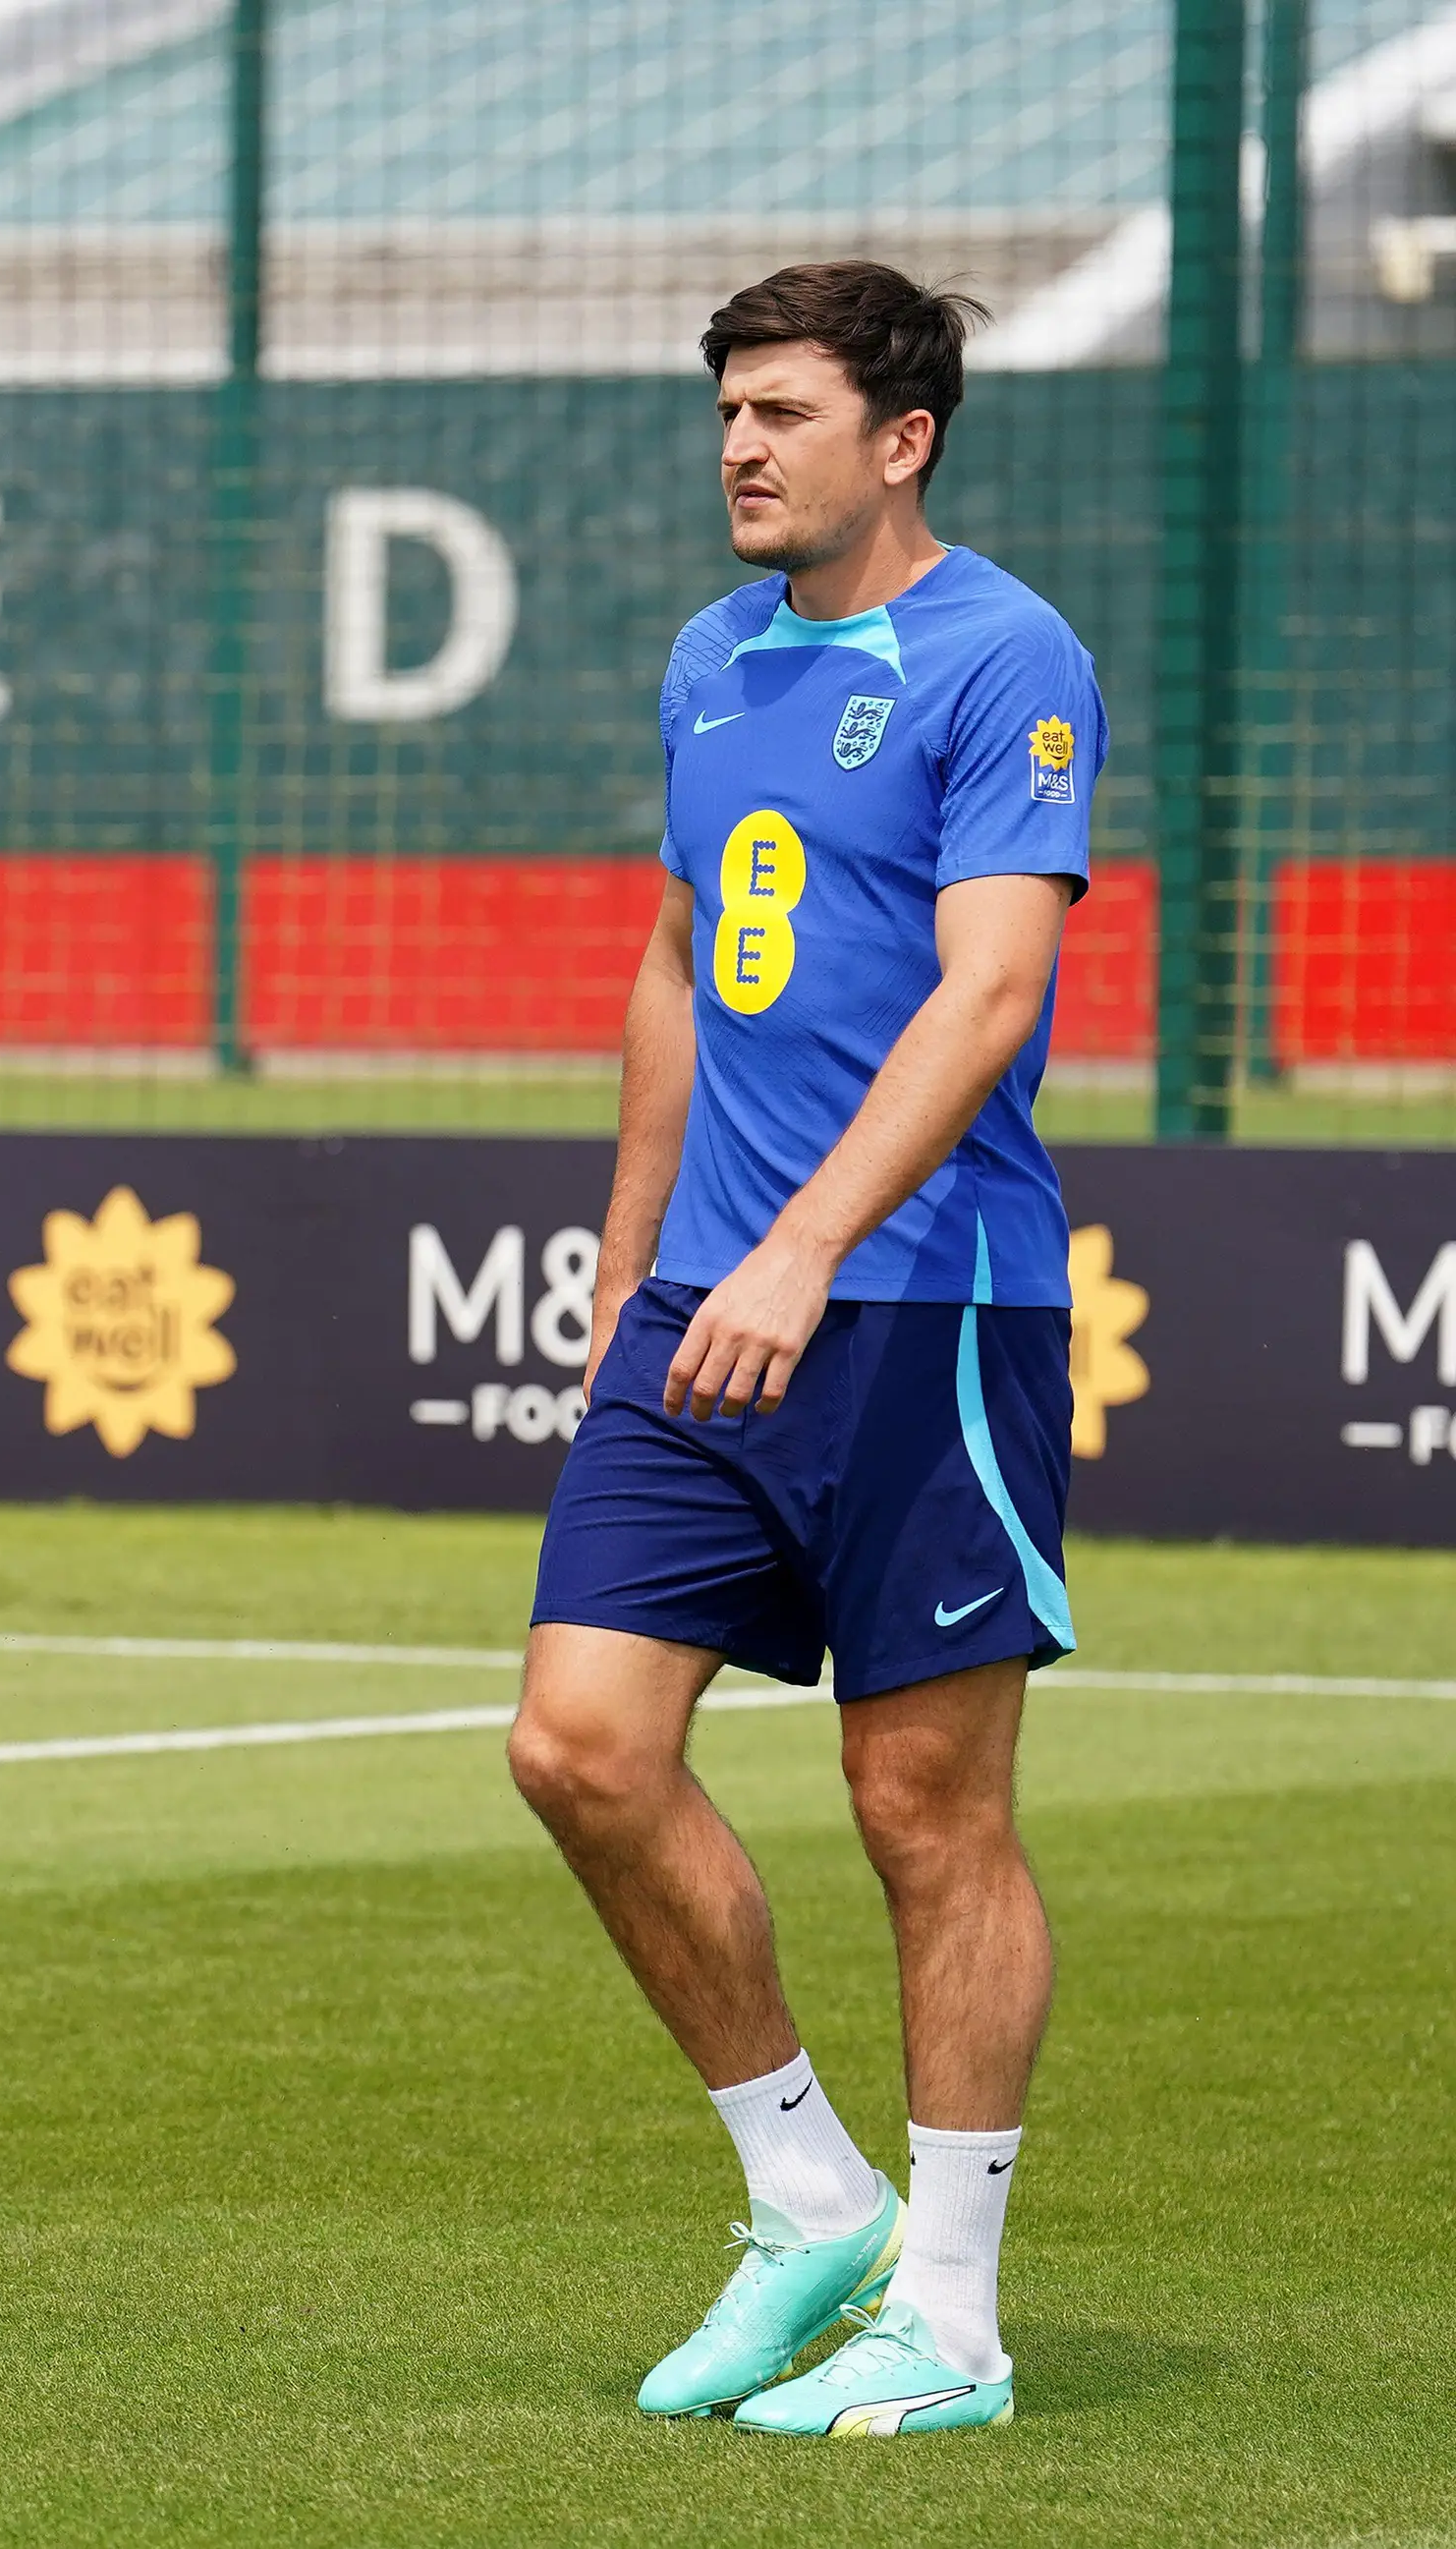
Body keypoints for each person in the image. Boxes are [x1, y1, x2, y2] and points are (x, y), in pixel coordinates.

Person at [508, 263, 1103, 2437]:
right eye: (727, 414)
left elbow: (986, 1001)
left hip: (927, 1307)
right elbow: (678, 965)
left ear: (902, 436)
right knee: (579, 1744)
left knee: (920, 1804)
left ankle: (949, 2307)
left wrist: (804, 1253)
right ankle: (806, 2195)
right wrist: (636, 1257)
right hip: (705, 1309)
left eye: (780, 412)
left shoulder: (1004, 654)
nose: (741, 448)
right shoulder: (708, 657)